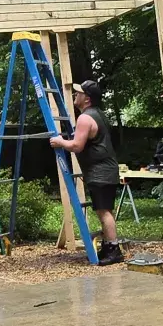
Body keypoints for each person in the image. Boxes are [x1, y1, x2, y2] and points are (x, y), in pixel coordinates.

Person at [51, 79, 124, 265]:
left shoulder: (85, 118)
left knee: (104, 212)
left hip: (101, 172)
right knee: (105, 210)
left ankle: (114, 251)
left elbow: (76, 146)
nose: (76, 94)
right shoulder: (98, 114)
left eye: (79, 93)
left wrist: (60, 142)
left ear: (87, 99)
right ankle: (108, 247)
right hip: (105, 170)